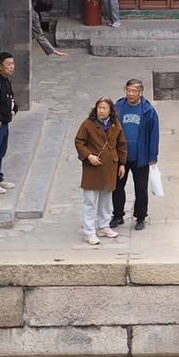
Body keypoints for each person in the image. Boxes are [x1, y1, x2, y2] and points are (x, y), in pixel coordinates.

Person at [75, 98, 128, 247]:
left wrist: (122, 163)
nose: (101, 110)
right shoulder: (88, 124)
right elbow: (79, 142)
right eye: (99, 107)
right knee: (90, 201)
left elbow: (121, 144)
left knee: (105, 200)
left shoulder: (115, 124)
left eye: (104, 108)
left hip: (110, 167)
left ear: (110, 110)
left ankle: (104, 226)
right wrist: (88, 156)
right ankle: (89, 231)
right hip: (93, 168)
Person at [111, 79, 160, 231]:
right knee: (118, 187)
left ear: (140, 92)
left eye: (134, 91)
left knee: (141, 188)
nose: (131, 94)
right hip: (121, 157)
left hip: (141, 157)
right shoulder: (119, 107)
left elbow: (154, 134)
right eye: (128, 90)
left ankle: (140, 217)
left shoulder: (148, 110)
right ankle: (118, 215)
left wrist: (152, 157)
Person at [0, 52, 17, 193]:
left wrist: (15, 110)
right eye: (8, 64)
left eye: (12, 64)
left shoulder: (6, 80)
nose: (12, 67)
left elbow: (11, 98)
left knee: (1, 151)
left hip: (5, 123)